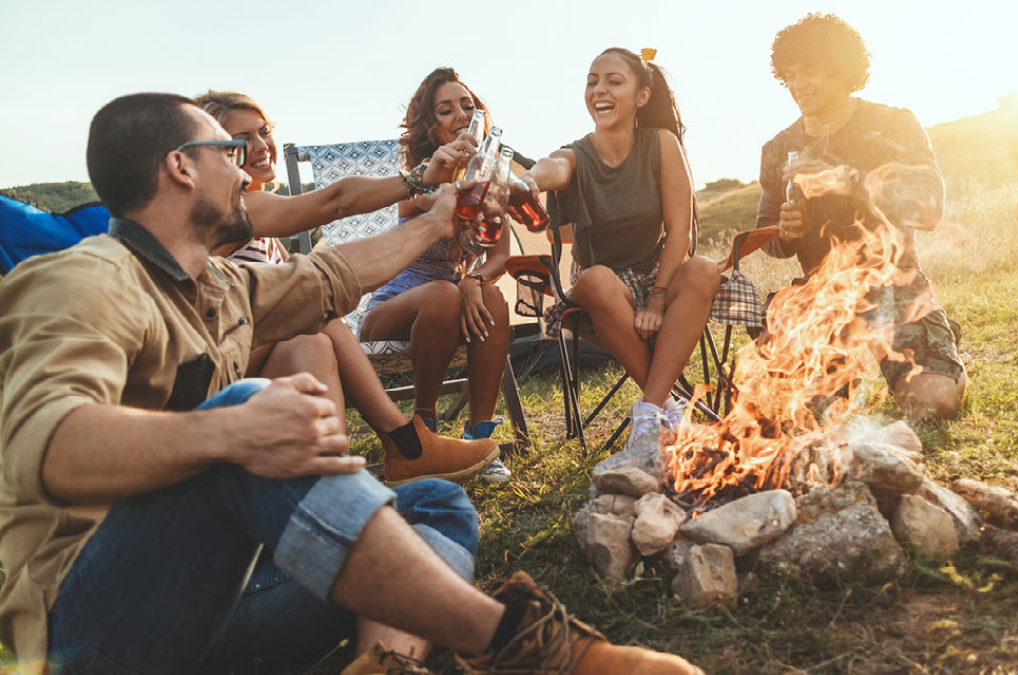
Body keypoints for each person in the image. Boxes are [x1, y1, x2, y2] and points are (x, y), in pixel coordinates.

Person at [0, 92, 703, 675]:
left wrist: (434, 218)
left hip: (213, 607)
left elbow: (331, 278)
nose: (247, 173)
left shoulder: (214, 286)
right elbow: (47, 442)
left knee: (434, 505)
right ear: (181, 168)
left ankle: (383, 664)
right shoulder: (85, 279)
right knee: (247, 411)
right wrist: (225, 430)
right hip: (92, 629)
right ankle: (529, 646)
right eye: (232, 154)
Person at [192, 89, 496, 488]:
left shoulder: (262, 230)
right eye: (241, 139)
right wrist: (420, 179)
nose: (261, 145)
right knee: (312, 305)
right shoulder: (230, 210)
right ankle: (405, 442)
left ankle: (336, 480)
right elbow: (336, 201)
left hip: (249, 359)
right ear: (212, 152)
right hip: (209, 371)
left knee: (311, 340)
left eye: (263, 131)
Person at [515, 48, 756, 444]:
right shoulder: (575, 153)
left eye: (613, 81)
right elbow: (553, 166)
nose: (599, 90)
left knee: (705, 269)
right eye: (592, 81)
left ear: (641, 96)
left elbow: (680, 230)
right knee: (594, 279)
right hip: (602, 292)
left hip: (656, 274)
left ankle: (650, 411)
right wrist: (530, 181)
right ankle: (667, 405)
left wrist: (659, 298)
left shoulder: (661, 144)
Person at [755, 13, 967, 420]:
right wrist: (785, 232)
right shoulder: (778, 147)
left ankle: (939, 345)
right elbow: (771, 237)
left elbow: (929, 208)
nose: (798, 85)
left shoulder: (892, 124)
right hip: (821, 298)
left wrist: (851, 181)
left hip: (895, 290)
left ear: (840, 70)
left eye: (810, 72)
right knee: (805, 414)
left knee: (932, 403)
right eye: (790, 75)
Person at [359, 68, 513, 483]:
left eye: (468, 105)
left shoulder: (491, 180)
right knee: (444, 293)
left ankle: (479, 435)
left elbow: (499, 256)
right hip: (391, 310)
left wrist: (475, 280)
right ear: (432, 126)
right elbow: (427, 205)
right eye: (447, 110)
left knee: (492, 298)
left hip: (445, 310)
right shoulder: (422, 176)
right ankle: (421, 438)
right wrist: (460, 179)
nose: (461, 115)